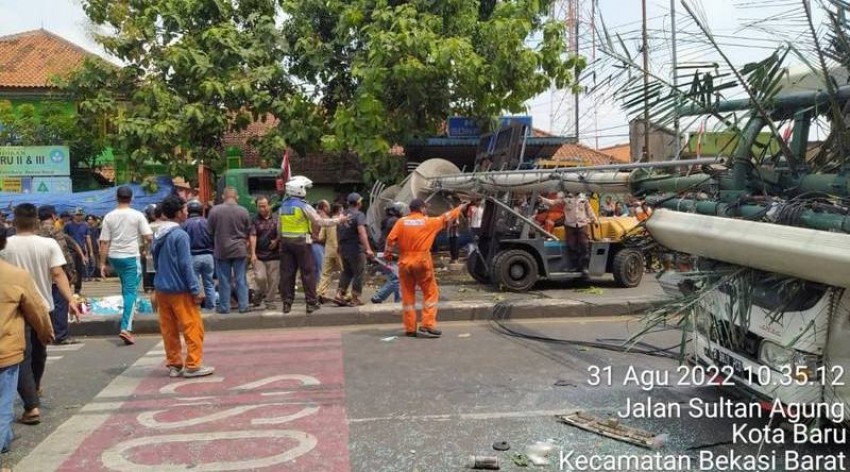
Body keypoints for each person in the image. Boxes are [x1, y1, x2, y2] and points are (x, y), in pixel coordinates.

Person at [2, 204, 77, 426]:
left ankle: (31, 403)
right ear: (36, 222)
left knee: (22, 355)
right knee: (39, 351)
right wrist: (70, 299)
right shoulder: (48, 244)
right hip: (43, 306)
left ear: (14, 222)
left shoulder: (5, 245)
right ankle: (33, 392)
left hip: (15, 307)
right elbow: (57, 273)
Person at [0, 227, 54, 464]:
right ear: (3, 244)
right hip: (6, 350)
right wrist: (45, 334)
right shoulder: (16, 276)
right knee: (3, 404)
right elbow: (37, 311)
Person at [384, 198, 467, 338]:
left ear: (410, 209)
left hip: (404, 262)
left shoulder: (401, 222)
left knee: (407, 296)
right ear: (422, 208)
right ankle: (427, 325)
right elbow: (446, 216)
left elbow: (390, 240)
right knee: (430, 293)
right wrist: (460, 208)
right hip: (422, 261)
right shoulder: (428, 222)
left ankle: (410, 328)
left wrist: (388, 254)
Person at [152, 195, 214, 378]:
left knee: (169, 329)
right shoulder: (180, 235)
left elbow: (155, 263)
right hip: (180, 289)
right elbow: (186, 265)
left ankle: (174, 364)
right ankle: (193, 364)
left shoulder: (158, 234)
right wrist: (196, 289)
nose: (187, 212)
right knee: (193, 326)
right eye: (185, 209)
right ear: (178, 213)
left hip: (162, 288)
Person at [278, 177, 347, 314]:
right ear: (299, 190)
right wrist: (339, 220)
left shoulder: (283, 206)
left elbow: (279, 227)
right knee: (308, 273)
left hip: (286, 243)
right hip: (302, 243)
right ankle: (311, 303)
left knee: (287, 274)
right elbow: (320, 221)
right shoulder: (304, 206)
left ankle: (287, 303)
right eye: (304, 188)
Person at [100, 186, 153, 345]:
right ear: (131, 198)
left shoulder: (109, 216)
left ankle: (128, 318)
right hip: (130, 257)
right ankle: (126, 328)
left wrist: (102, 263)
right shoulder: (137, 215)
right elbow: (149, 236)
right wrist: (144, 247)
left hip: (114, 257)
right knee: (131, 293)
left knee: (126, 289)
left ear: (117, 197)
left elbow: (104, 242)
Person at [37, 205, 80, 345]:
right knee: (60, 304)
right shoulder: (55, 231)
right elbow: (64, 253)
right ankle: (61, 335)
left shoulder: (34, 232)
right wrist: (71, 273)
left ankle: (45, 333)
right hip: (56, 272)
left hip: (39, 274)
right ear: (53, 216)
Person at [206, 187, 251, 314]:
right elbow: (249, 230)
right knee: (241, 279)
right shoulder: (244, 211)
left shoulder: (214, 211)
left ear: (223, 197)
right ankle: (244, 305)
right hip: (239, 249)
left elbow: (209, 231)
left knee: (224, 280)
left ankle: (225, 307)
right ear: (237, 197)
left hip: (222, 249)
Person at [540, 192, 598, 272]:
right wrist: (542, 199)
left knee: (584, 245)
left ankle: (584, 267)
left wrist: (594, 220)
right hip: (570, 225)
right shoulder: (566, 198)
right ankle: (574, 266)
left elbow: (589, 209)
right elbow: (553, 202)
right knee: (571, 246)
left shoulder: (583, 198)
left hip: (582, 224)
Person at [332, 193, 373, 307]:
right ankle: (355, 297)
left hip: (344, 248)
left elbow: (337, 231)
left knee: (347, 272)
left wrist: (338, 246)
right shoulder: (359, 215)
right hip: (356, 249)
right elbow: (362, 232)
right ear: (358, 203)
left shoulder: (342, 214)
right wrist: (368, 249)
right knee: (359, 272)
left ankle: (339, 294)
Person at [183, 200, 216, 311]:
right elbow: (213, 238)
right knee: (209, 283)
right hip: (208, 256)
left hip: (193, 256)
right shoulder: (207, 222)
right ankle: (211, 306)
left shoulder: (185, 224)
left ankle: (196, 307)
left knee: (194, 283)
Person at [249, 195, 279, 309]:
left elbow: (281, 233)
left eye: (264, 206)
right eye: (259, 206)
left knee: (273, 280)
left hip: (275, 255)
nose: (262, 209)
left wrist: (276, 241)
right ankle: (259, 294)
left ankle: (269, 301)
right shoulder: (254, 219)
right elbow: (252, 235)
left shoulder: (277, 218)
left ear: (269, 205)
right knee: (260, 278)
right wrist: (252, 254)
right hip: (259, 255)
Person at [371, 203, 403, 304]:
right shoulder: (394, 221)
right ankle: (378, 296)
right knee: (396, 278)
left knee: (398, 276)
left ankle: (399, 300)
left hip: (386, 252)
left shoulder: (387, 221)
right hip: (389, 253)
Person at [316, 203, 344, 303]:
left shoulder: (327, 222)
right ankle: (344, 294)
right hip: (340, 250)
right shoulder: (343, 221)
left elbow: (321, 237)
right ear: (340, 210)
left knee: (325, 274)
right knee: (345, 272)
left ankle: (320, 293)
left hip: (328, 250)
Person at [63, 208, 91, 290]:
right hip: (70, 251)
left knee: (79, 270)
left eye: (80, 215)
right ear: (73, 215)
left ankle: (77, 289)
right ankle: (67, 288)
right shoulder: (68, 225)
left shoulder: (85, 225)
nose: (79, 217)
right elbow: (63, 237)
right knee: (70, 269)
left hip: (81, 251)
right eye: (77, 215)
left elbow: (87, 239)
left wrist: (90, 252)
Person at [310, 200, 330, 289]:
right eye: (328, 206)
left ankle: (313, 290)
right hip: (319, 246)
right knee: (321, 270)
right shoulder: (323, 218)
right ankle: (320, 291)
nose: (329, 208)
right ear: (325, 207)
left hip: (312, 245)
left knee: (313, 269)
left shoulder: (312, 217)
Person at [86, 215, 102, 280]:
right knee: (88, 263)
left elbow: (97, 239)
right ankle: (88, 276)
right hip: (87, 248)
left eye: (91, 219)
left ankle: (93, 276)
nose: (90, 220)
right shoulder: (85, 228)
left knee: (94, 263)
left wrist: (99, 247)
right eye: (88, 219)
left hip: (94, 247)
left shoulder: (95, 229)